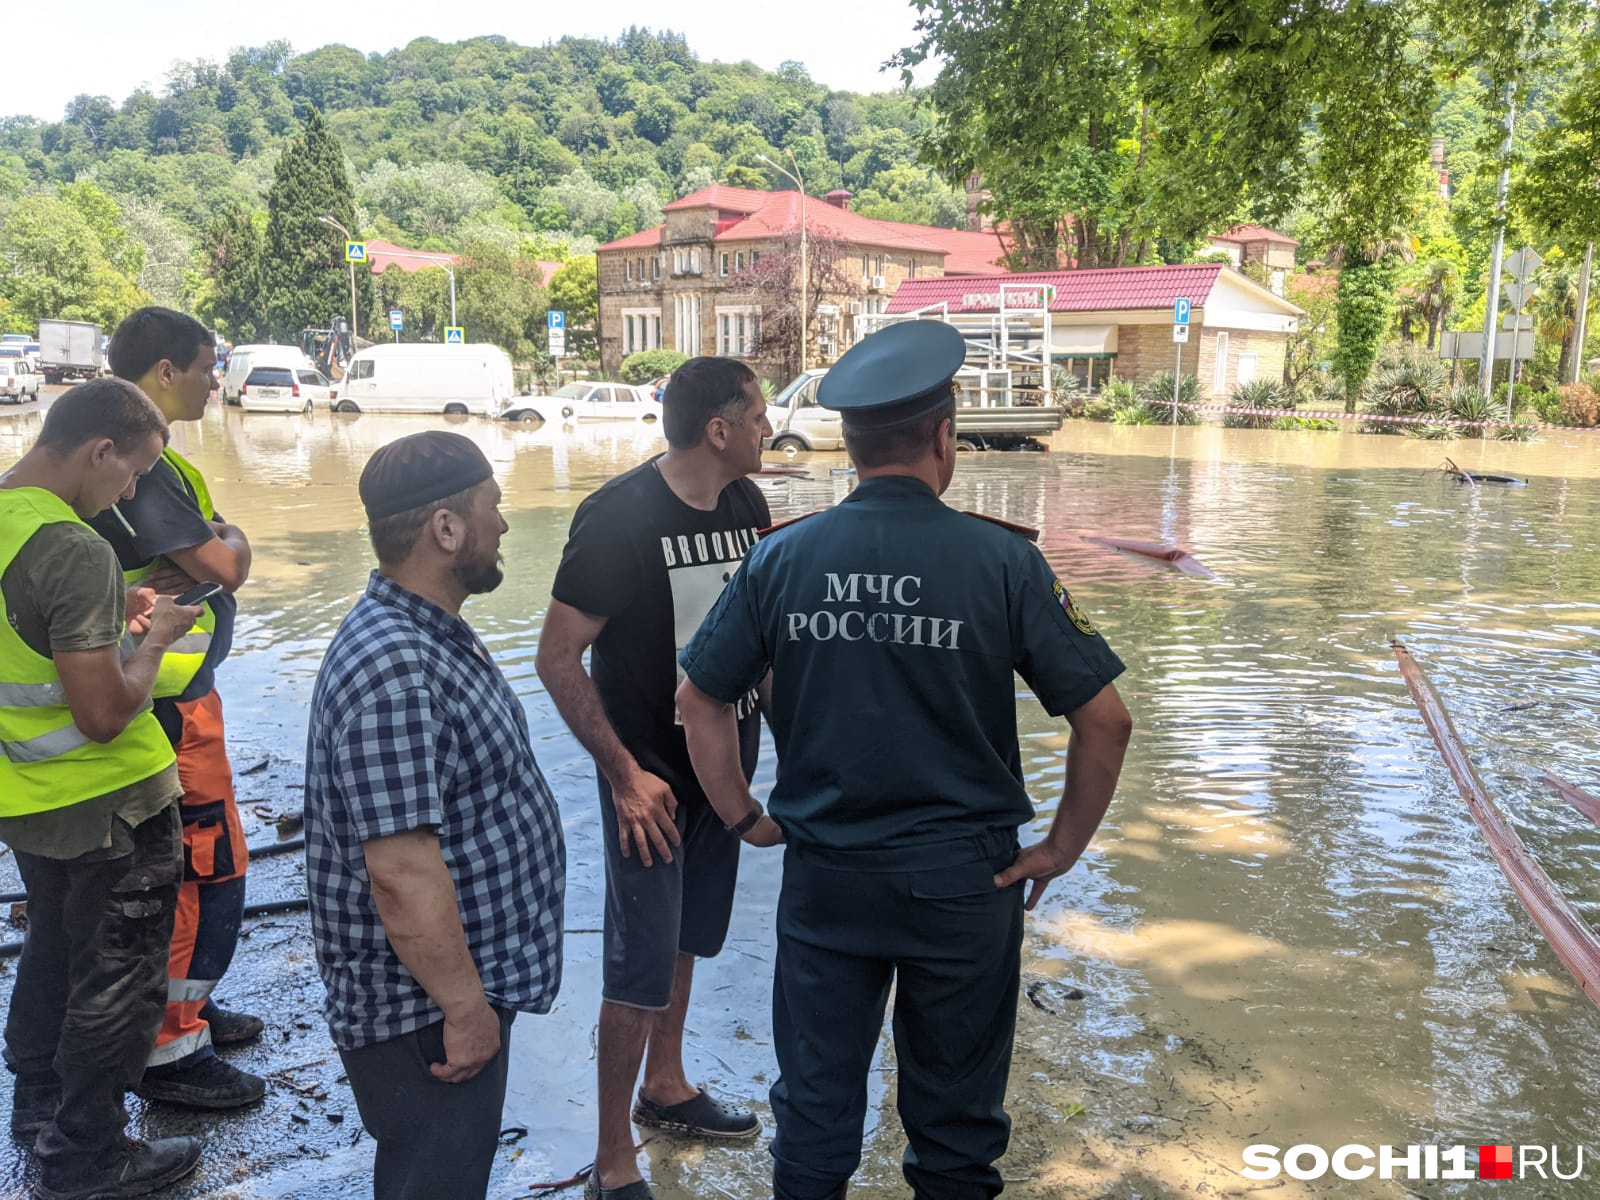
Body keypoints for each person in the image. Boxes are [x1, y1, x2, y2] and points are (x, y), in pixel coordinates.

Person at [675, 320, 1135, 1200]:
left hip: (828, 879)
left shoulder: (782, 556)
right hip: (968, 887)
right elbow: (1104, 722)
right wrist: (1060, 849)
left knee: (814, 1114)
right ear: (943, 435)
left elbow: (697, 700)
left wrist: (744, 817)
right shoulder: (1003, 560)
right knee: (956, 1133)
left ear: (847, 444)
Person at [304, 432, 566, 1200]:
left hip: (446, 991)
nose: (504, 525)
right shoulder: (395, 666)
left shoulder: (423, 632)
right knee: (435, 1182)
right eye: (492, 508)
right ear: (445, 530)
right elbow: (400, 870)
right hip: (421, 1010)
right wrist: (465, 1008)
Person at [536, 357, 773, 1200]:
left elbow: (760, 644)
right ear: (719, 430)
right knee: (637, 965)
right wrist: (625, 776)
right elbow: (558, 659)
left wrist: (791, 755)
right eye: (758, 414)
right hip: (651, 782)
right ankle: (611, 1161)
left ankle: (665, 1088)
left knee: (687, 937)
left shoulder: (747, 505)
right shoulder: (620, 517)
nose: (768, 427)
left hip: (723, 776)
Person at [0, 379, 206, 1199]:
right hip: (113, 808)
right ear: (99, 450)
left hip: (28, 801)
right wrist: (153, 639)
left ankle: (37, 1107)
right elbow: (103, 714)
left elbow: (26, 641)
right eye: (131, 476)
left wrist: (112, 611)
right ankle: (86, 1155)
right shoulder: (73, 547)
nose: (130, 496)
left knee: (49, 953)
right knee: (116, 979)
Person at [86, 306, 265, 1110]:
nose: (213, 381)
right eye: (204, 368)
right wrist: (230, 545)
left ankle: (186, 1010)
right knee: (202, 868)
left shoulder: (135, 453)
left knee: (200, 865)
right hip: (167, 707)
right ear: (164, 371)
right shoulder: (146, 464)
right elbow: (223, 564)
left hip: (175, 699)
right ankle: (172, 1047)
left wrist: (223, 545)